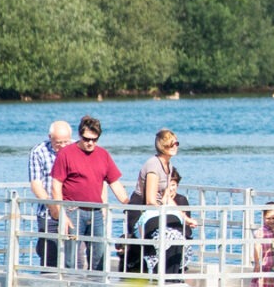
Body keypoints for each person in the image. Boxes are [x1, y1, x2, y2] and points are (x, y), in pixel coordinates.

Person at [50, 116, 128, 273]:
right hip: (73, 211)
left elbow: (115, 183)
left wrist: (129, 204)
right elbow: (56, 185)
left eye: (95, 139)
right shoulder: (66, 154)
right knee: (70, 258)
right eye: (87, 139)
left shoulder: (103, 155)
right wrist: (61, 213)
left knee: (99, 255)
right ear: (79, 135)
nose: (90, 143)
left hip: (96, 212)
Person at [128, 129, 197, 276]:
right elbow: (150, 201)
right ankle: (160, 275)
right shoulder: (153, 165)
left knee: (179, 231)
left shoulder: (169, 167)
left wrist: (185, 218)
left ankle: (172, 277)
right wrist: (167, 212)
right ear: (163, 146)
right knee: (167, 232)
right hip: (143, 212)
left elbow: (167, 198)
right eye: (172, 144)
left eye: (177, 143)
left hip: (159, 211)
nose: (175, 146)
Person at [27, 120, 73, 268]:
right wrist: (52, 205)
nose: (63, 146)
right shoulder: (38, 151)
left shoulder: (76, 149)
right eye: (59, 142)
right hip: (48, 212)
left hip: (73, 211)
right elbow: (36, 184)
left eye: (66, 141)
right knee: (49, 256)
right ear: (50, 137)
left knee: (74, 257)